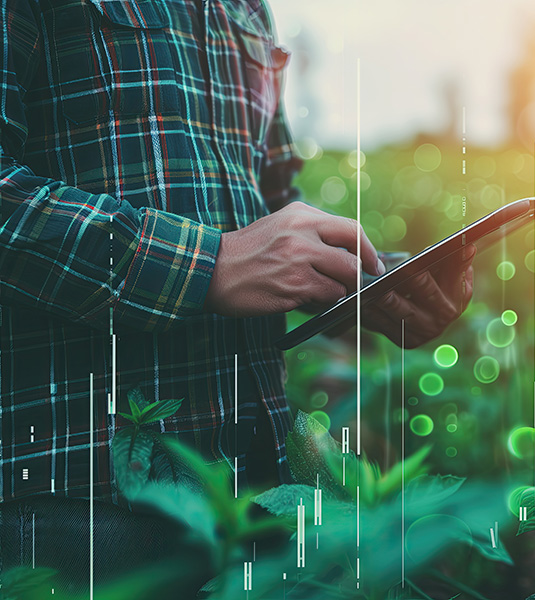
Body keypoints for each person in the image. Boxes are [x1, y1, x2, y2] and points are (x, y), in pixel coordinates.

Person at [0, 0, 473, 591]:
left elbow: (271, 211)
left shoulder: (247, 7)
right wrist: (211, 263)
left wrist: (370, 286)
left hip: (259, 495)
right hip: (79, 504)